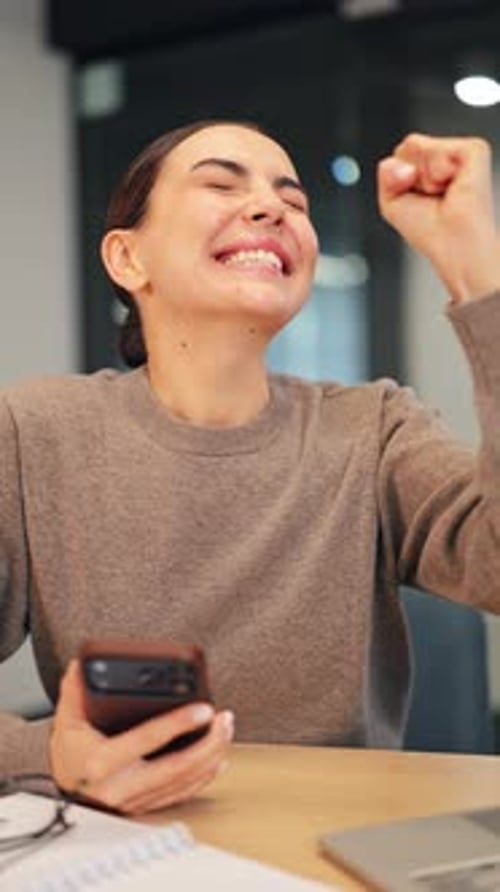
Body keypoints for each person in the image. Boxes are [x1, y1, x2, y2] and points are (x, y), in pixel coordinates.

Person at [1, 119, 500, 816]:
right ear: (127, 259)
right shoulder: (33, 431)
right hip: (125, 846)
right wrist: (47, 754)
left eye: (293, 202)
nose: (273, 208)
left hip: (338, 841)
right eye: (220, 183)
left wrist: (479, 275)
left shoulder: (375, 429)